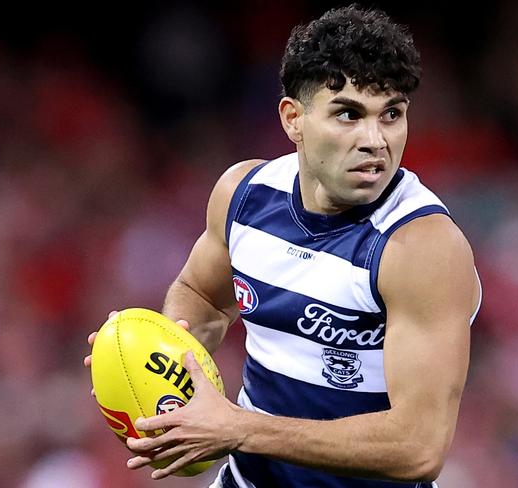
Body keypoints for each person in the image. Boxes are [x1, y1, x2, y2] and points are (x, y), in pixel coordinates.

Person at [84, 5, 481, 487]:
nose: (375, 140)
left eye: (391, 114)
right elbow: (204, 296)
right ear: (293, 119)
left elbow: (417, 447)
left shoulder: (420, 247)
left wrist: (238, 429)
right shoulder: (243, 195)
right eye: (348, 115)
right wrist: (155, 363)